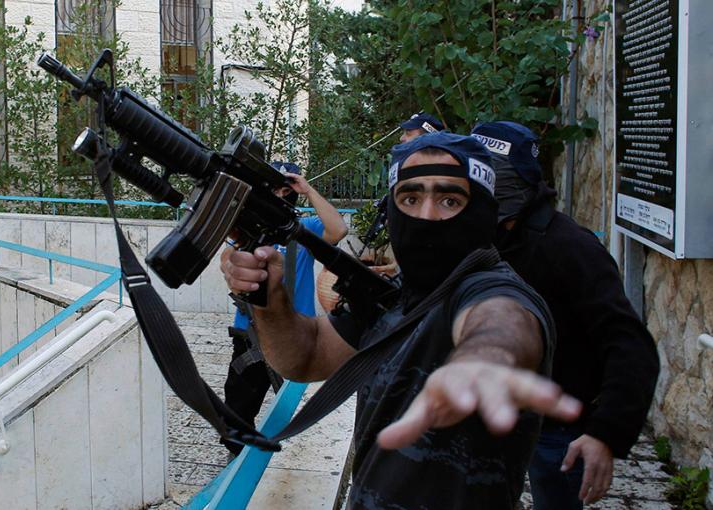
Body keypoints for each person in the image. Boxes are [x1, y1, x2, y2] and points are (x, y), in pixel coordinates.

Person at [220, 132, 581, 508]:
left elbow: (504, 324)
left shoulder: (495, 290)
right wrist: (269, 298)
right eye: (410, 198)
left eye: (449, 199)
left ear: (483, 212)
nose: (426, 215)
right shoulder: (392, 292)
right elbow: (306, 357)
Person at [471, 121, 659, 509]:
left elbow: (628, 342)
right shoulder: (477, 243)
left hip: (554, 431)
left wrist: (605, 433)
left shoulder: (570, 248)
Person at [222, 161, 348, 456]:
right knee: (237, 407)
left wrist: (307, 189)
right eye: (274, 187)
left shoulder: (305, 230)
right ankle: (235, 459)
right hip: (249, 333)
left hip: (296, 334)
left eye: (286, 187)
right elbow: (227, 255)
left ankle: (298, 459)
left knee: (298, 408)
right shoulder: (249, 228)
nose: (280, 193)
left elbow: (338, 229)